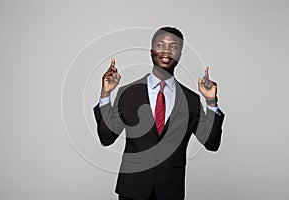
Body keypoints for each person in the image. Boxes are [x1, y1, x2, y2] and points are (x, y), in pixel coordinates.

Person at [93, 27, 225, 200]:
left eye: (173, 47)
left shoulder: (191, 100)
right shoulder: (129, 93)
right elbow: (106, 138)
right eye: (160, 45)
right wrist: (105, 95)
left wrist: (211, 102)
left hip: (170, 191)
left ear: (180, 54)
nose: (166, 51)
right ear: (151, 52)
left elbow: (211, 143)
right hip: (132, 189)